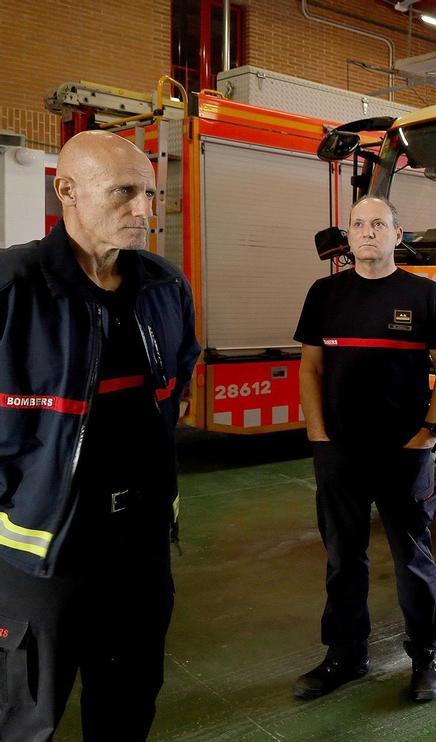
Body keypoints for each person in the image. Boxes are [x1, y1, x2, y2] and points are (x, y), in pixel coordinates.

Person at [0, 130, 200, 740]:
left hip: (139, 547)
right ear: (67, 191)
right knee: (27, 716)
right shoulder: (13, 287)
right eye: (123, 192)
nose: (144, 209)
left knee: (129, 702)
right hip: (42, 553)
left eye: (148, 192)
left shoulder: (166, 288)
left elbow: (179, 390)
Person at [292, 196, 436, 703]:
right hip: (339, 451)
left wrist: (428, 433)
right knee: (344, 558)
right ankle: (345, 655)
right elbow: (311, 369)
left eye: (378, 224)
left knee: (412, 557)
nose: (367, 232)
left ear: (397, 235)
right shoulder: (324, 294)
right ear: (350, 235)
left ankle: (425, 657)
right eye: (359, 224)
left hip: (404, 453)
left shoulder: (426, 295)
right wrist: (318, 435)